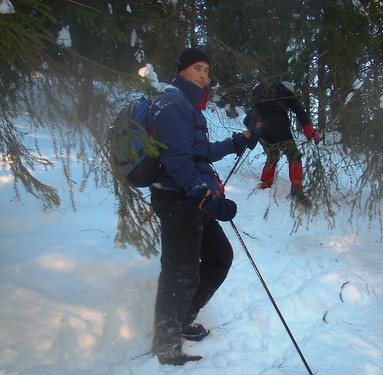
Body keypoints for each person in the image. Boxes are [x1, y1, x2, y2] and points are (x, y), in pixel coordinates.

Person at [148, 48, 261, 366]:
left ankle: (182, 318)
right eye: (197, 68)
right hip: (177, 198)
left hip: (192, 196)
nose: (203, 75)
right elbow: (178, 159)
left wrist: (235, 143)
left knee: (219, 257)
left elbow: (198, 151)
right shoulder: (171, 102)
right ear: (182, 71)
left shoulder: (188, 105)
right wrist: (205, 198)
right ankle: (166, 344)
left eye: (207, 70)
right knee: (179, 272)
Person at [243, 79, 320, 199]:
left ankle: (265, 184)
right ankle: (296, 186)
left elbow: (246, 120)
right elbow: (300, 111)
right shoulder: (287, 92)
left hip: (257, 124)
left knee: (272, 154)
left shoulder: (264, 96)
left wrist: (252, 130)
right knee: (293, 154)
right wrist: (310, 131)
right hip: (276, 121)